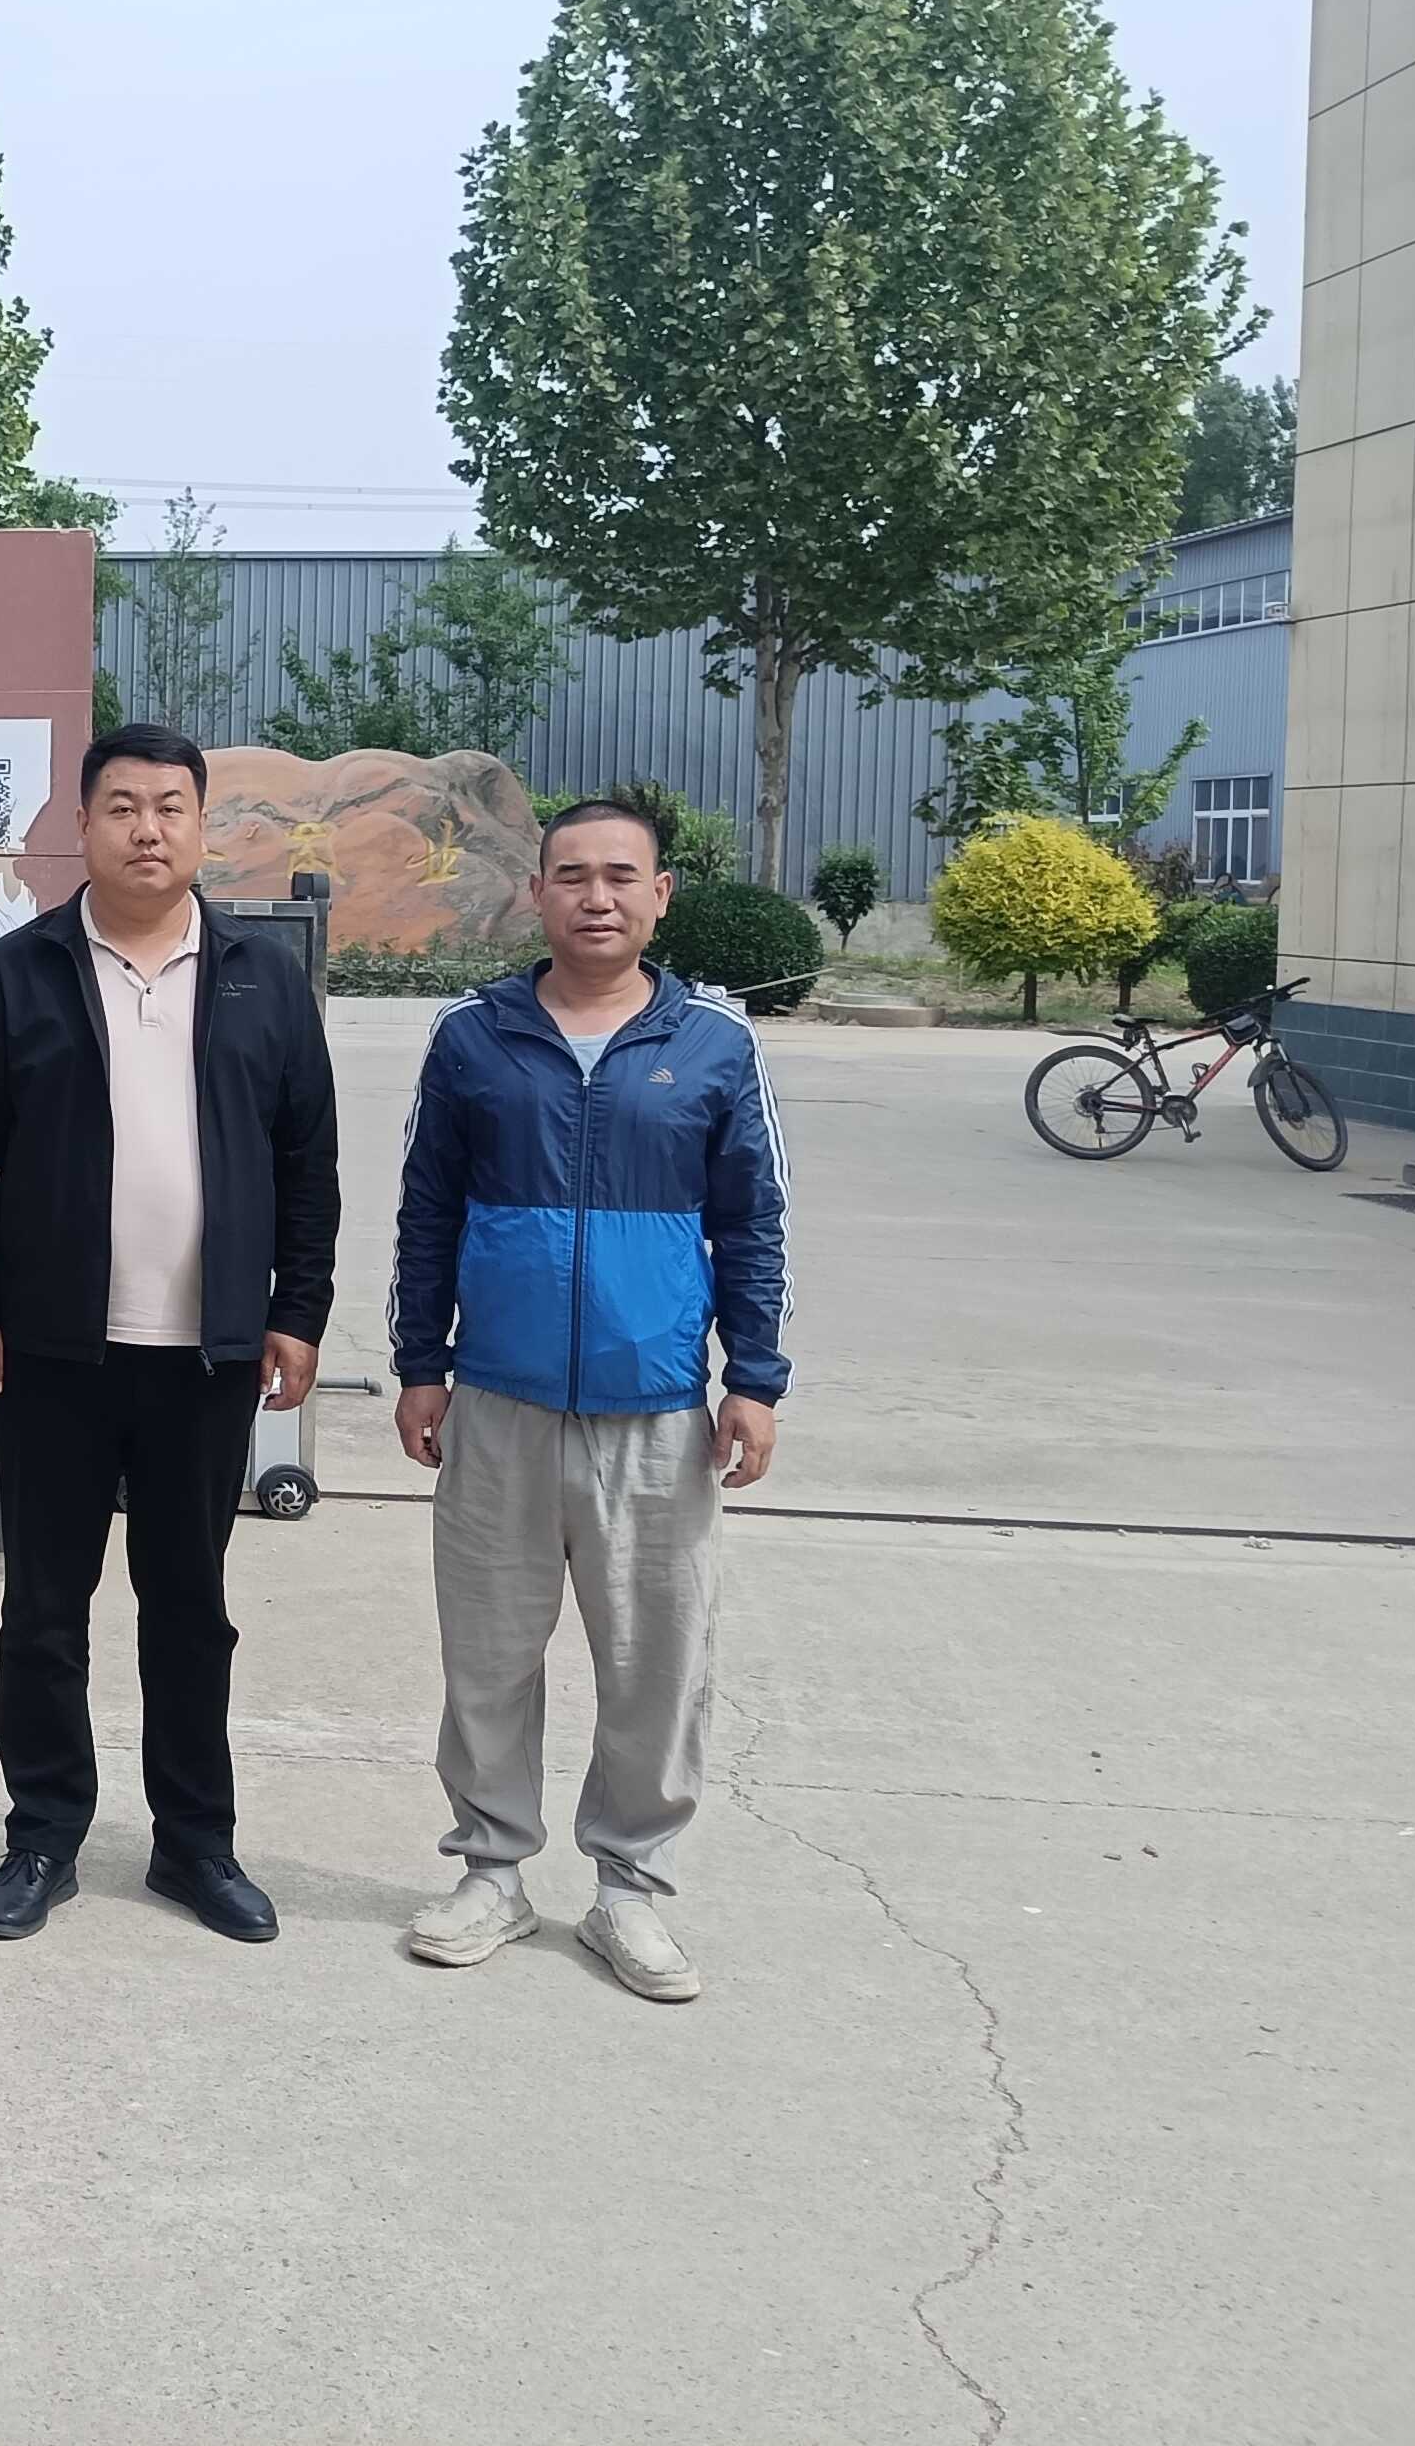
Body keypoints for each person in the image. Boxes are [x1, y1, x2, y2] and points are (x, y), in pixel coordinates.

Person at [0, 724, 341, 1945]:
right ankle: (42, 1836)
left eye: (169, 807)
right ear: (82, 826)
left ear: (203, 827)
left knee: (189, 1608)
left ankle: (193, 1843)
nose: (146, 829)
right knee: (44, 1610)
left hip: (206, 1356)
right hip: (50, 1350)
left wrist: (296, 1312)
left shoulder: (262, 979)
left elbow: (306, 1161)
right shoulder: (19, 973)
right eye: (121, 807)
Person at [386, 797, 792, 2002]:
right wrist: (420, 1362)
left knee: (653, 1661)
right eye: (571, 875)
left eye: (621, 876)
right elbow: (426, 1212)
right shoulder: (473, 1038)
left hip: (654, 1408)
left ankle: (630, 1889)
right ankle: (491, 1873)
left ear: (660, 895)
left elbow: (752, 1223)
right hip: (498, 1399)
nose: (595, 897)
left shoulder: (712, 1046)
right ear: (537, 893)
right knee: (488, 1653)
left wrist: (753, 1380)